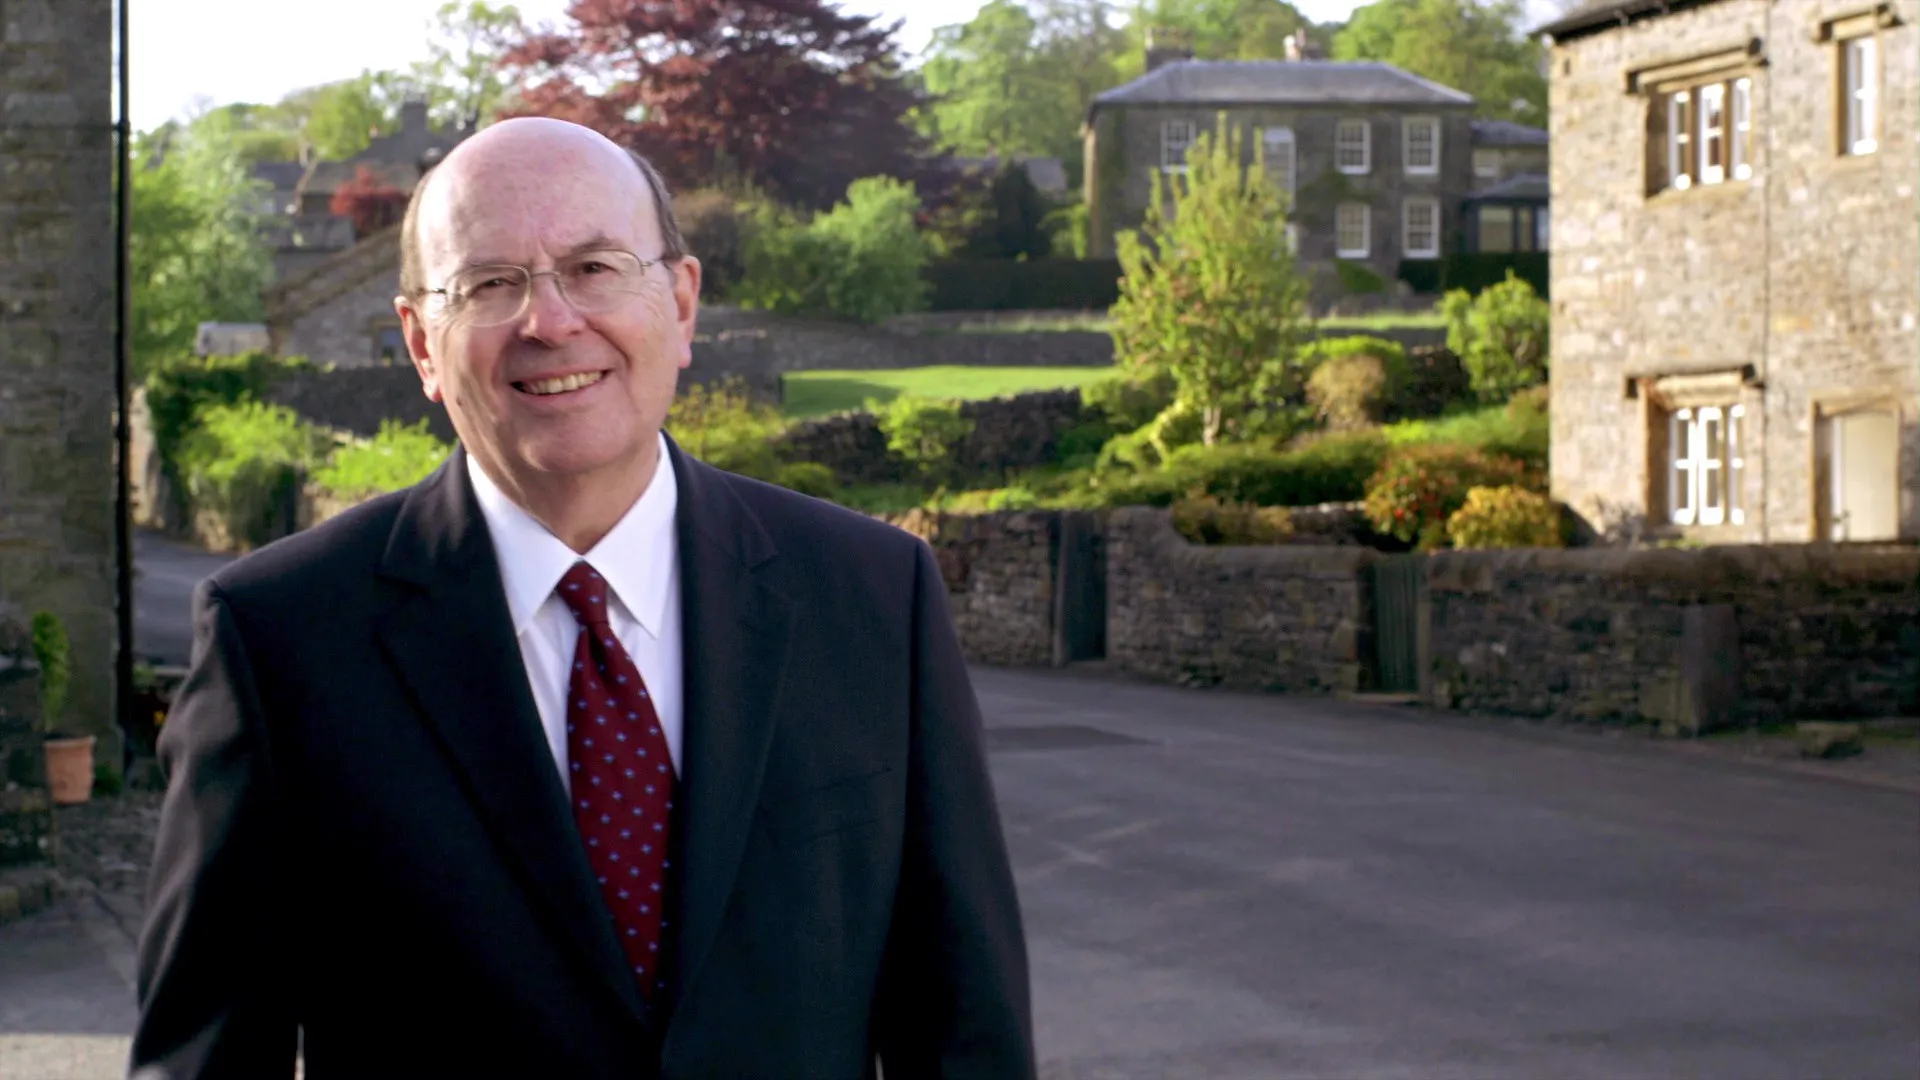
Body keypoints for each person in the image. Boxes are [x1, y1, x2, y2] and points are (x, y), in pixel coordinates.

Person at [131, 117, 1036, 1079]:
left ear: (682, 306)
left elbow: (966, 1035)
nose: (550, 321)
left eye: (597, 267)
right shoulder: (281, 640)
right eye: (489, 284)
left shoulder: (872, 598)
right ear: (422, 346)